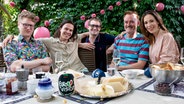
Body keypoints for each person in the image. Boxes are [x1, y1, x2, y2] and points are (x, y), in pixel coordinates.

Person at [3, 20, 88, 73]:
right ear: (60, 28)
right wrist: (13, 36)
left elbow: (88, 33)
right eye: (66, 29)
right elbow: (30, 39)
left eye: (71, 30)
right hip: (63, 74)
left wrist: (80, 44)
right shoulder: (50, 41)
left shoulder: (75, 39)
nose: (68, 32)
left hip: (81, 71)